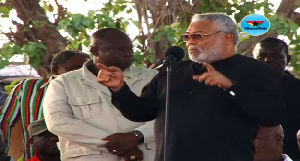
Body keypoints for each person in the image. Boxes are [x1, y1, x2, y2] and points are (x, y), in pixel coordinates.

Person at [96, 13, 285, 161]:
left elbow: (271, 116)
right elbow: (141, 112)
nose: (190, 42)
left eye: (198, 36)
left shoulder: (254, 70)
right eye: (187, 37)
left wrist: (230, 86)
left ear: (227, 38)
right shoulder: (173, 71)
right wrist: (120, 88)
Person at [43, 28, 157, 161]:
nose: (129, 54)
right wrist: (117, 144)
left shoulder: (151, 76)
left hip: (147, 155)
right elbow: (58, 121)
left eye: (130, 48)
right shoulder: (64, 82)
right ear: (95, 51)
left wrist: (137, 136)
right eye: (119, 49)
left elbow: (170, 114)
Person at [0, 50, 90, 160]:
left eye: (87, 70)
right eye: (75, 68)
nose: (82, 74)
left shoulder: (93, 93)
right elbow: (5, 122)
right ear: (55, 70)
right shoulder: (27, 88)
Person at [253, 37, 300, 160]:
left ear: (288, 59)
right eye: (261, 56)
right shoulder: (240, 90)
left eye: (276, 56)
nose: (268, 60)